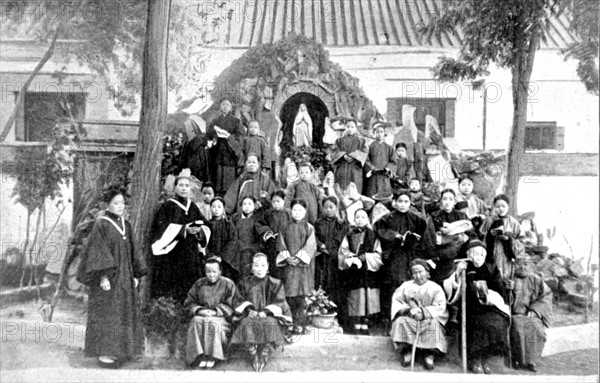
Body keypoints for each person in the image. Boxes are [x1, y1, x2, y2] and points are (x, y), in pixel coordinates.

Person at [76, 186, 148, 368]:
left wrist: (136, 274)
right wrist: (103, 277)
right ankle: (106, 353)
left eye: (122, 203)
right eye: (116, 203)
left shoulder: (127, 225)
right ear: (107, 205)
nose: (120, 206)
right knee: (108, 314)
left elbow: (133, 251)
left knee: (124, 312)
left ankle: (124, 351)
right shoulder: (102, 224)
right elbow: (97, 252)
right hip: (109, 279)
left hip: (125, 277)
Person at [231, 253, 292, 372]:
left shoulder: (276, 283)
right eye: (256, 265)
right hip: (251, 316)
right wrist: (248, 310)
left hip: (269, 316)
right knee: (247, 323)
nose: (260, 269)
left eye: (263, 265)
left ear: (268, 267)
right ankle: (253, 354)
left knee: (270, 323)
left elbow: (280, 302)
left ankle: (265, 352)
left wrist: (266, 311)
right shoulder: (244, 283)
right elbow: (238, 300)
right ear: (252, 268)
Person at [151, 176, 209, 303]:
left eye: (187, 186)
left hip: (191, 252)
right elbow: (161, 228)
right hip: (174, 253)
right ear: (175, 188)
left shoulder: (192, 206)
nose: (184, 188)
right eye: (181, 185)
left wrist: (200, 231)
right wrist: (183, 230)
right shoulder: (168, 206)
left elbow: (205, 225)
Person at [454, 240, 509, 374]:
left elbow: (499, 288)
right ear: (469, 254)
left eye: (481, 254)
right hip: (470, 307)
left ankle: (486, 358)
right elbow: (455, 287)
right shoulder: (464, 267)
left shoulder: (491, 268)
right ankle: (474, 359)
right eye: (475, 253)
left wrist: (489, 296)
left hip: (490, 306)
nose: (478, 257)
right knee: (478, 324)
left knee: (498, 322)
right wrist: (458, 273)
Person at [374, 190, 431, 312]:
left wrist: (413, 239)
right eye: (400, 201)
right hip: (394, 256)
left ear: (410, 203)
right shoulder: (387, 218)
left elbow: (423, 235)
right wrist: (394, 235)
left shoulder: (416, 219)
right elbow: (379, 230)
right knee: (395, 284)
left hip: (411, 255)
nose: (403, 204)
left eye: (406, 201)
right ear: (394, 202)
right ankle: (393, 316)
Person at [390, 259, 449, 370]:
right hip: (410, 318)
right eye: (414, 273)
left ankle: (429, 353)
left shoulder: (435, 288)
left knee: (433, 325)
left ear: (427, 273)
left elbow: (440, 307)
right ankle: (407, 351)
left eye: (420, 272)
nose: (417, 276)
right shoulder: (405, 286)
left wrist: (424, 313)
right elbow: (397, 302)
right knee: (400, 322)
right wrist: (408, 311)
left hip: (428, 319)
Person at [184, 258, 237, 369]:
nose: (211, 275)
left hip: (222, 318)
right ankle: (200, 355)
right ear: (205, 272)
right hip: (203, 314)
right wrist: (199, 310)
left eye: (214, 272)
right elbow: (189, 302)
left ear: (220, 271)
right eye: (208, 272)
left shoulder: (228, 284)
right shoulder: (199, 284)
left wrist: (216, 311)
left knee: (211, 322)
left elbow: (232, 304)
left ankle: (212, 356)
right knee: (196, 321)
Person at [338, 209, 383, 335]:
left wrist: (366, 257)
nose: (360, 220)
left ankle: (366, 323)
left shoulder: (373, 235)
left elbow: (379, 254)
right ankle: (356, 323)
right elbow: (343, 251)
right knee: (357, 296)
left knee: (368, 295)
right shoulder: (349, 235)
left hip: (369, 271)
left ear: (367, 220)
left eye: (363, 217)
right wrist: (351, 257)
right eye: (357, 217)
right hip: (354, 271)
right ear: (354, 219)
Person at [276, 198, 317, 334]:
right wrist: (287, 258)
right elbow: (280, 243)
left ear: (305, 211)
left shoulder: (309, 228)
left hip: (303, 267)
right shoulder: (285, 226)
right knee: (289, 294)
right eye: (295, 210)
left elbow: (311, 246)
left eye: (300, 210)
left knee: (302, 295)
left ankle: (301, 324)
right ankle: (289, 323)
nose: (297, 213)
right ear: (290, 211)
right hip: (289, 265)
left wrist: (300, 258)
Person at [509, 256, 553, 372]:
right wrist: (508, 290)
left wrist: (535, 310)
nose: (523, 266)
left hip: (531, 315)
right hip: (514, 314)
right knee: (518, 328)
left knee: (535, 329)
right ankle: (518, 360)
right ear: (515, 265)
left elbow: (546, 296)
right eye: (519, 264)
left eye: (526, 264)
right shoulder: (510, 279)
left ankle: (531, 361)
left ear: (530, 266)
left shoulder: (536, 279)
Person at [429, 188, 475, 286]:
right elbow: (431, 236)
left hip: (459, 255)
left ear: (454, 202)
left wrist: (467, 237)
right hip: (441, 257)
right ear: (441, 201)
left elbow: (472, 234)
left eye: (450, 199)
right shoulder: (434, 216)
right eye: (445, 199)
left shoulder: (462, 216)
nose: (447, 202)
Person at [314, 196, 349, 314]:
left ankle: (334, 312)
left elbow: (339, 239)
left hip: (335, 258)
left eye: (331, 207)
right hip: (321, 258)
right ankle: (320, 310)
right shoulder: (318, 222)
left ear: (336, 208)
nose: (328, 210)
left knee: (334, 284)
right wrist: (321, 246)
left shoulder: (341, 223)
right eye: (326, 207)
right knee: (321, 282)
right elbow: (315, 237)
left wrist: (329, 249)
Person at [480, 194, 525, 280]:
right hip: (492, 255)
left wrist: (509, 240)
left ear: (508, 206)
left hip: (507, 258)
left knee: (506, 279)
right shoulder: (489, 220)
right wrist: (490, 236)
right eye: (498, 206)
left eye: (503, 206)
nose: (501, 209)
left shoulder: (513, 222)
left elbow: (522, 242)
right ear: (494, 207)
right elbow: (481, 238)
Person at [206, 97, 245, 195]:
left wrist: (229, 137)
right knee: (217, 182)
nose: (225, 106)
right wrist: (214, 137)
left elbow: (240, 136)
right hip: (218, 153)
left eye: (227, 104)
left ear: (231, 107)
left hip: (230, 154)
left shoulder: (236, 121)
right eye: (223, 104)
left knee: (229, 183)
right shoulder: (215, 121)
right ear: (220, 106)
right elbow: (209, 134)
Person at [231, 195, 270, 281]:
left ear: (254, 205)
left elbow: (263, 231)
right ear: (241, 206)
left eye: (249, 204)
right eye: (244, 204)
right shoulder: (235, 218)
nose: (247, 206)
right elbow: (231, 232)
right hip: (238, 248)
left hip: (253, 249)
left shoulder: (257, 218)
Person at [259, 190, 292, 277]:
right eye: (273, 202)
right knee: (273, 266)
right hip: (271, 243)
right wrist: (268, 233)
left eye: (278, 201)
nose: (275, 204)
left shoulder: (289, 213)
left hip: (285, 244)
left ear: (284, 201)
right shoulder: (268, 213)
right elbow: (262, 224)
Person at [205, 197, 238, 281]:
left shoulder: (229, 225)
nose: (216, 209)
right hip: (209, 259)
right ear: (210, 208)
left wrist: (222, 257)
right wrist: (211, 256)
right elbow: (203, 243)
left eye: (219, 207)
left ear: (223, 209)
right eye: (214, 206)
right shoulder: (206, 225)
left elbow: (232, 241)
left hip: (225, 261)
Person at [331, 119, 367, 194]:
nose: (350, 129)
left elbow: (364, 152)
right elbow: (334, 151)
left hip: (354, 168)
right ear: (345, 127)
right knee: (341, 190)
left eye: (352, 127)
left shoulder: (361, 140)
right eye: (348, 126)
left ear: (356, 128)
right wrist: (343, 155)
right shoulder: (339, 140)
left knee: (354, 190)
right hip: (342, 167)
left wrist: (354, 156)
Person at [364, 124, 396, 198]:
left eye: (381, 132)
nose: (379, 134)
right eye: (377, 132)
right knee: (372, 194)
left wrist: (388, 168)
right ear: (374, 133)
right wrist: (371, 168)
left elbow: (393, 161)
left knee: (385, 195)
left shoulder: (389, 148)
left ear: (384, 134)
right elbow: (366, 160)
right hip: (373, 175)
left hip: (384, 175)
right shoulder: (369, 147)